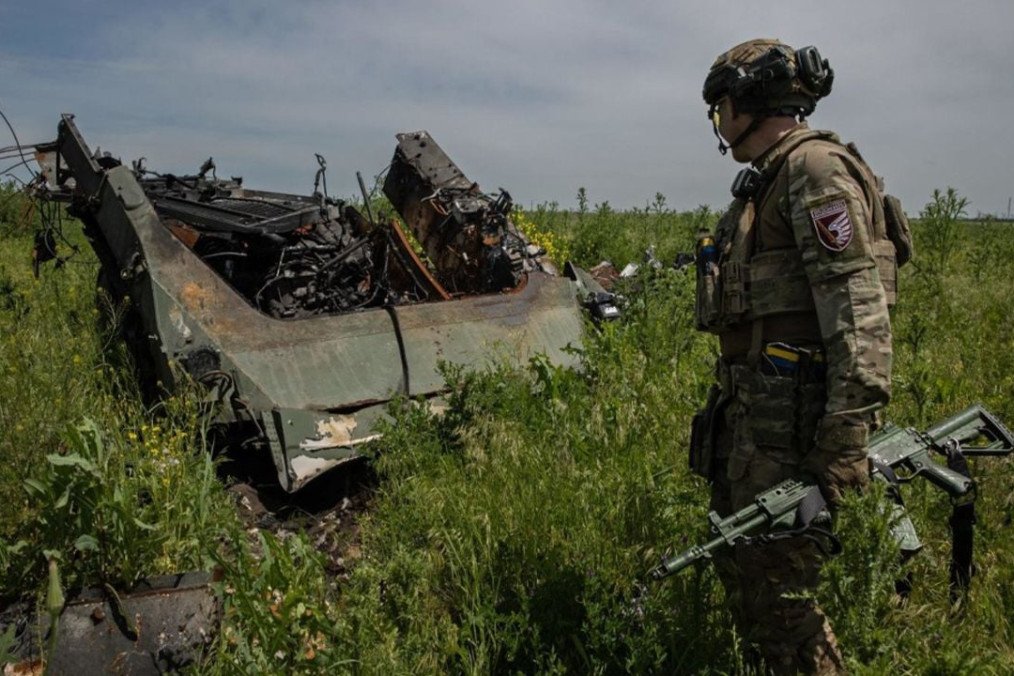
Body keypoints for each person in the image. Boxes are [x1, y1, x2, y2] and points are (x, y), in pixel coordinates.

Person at [689, 38, 904, 674]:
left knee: (783, 608)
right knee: (752, 585)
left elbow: (859, 318)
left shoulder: (814, 173)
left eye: (718, 107)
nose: (718, 123)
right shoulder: (770, 182)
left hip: (793, 437)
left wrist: (840, 447)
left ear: (745, 103)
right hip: (756, 428)